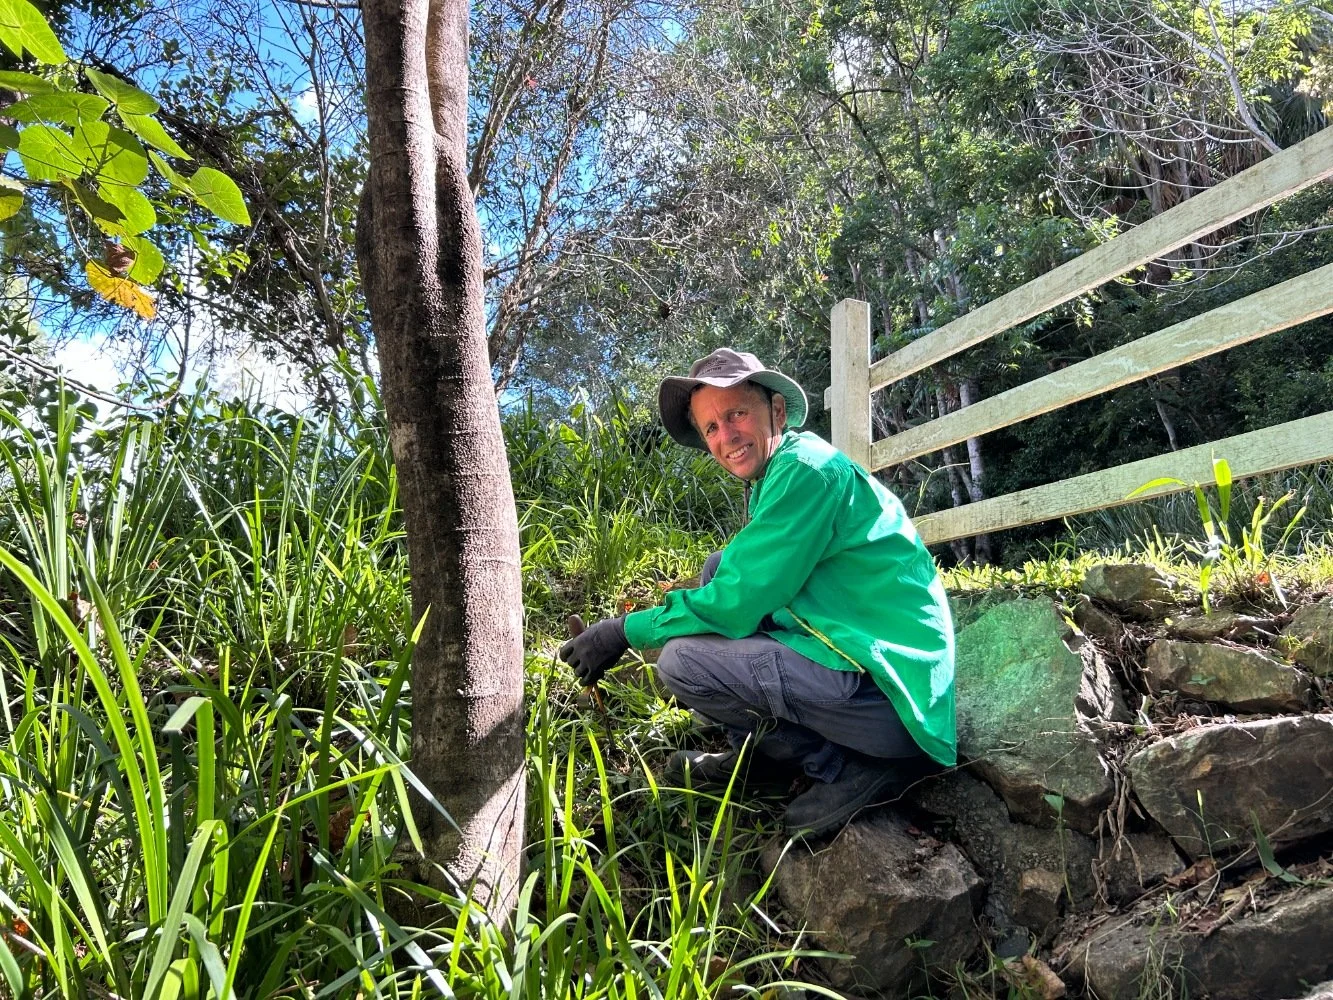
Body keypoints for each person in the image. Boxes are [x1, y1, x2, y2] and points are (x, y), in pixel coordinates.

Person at [559, 348, 955, 837]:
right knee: (718, 566)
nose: (725, 437)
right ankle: (765, 755)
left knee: (682, 661)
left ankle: (849, 766)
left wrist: (622, 631)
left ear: (777, 411)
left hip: (898, 706)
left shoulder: (806, 472)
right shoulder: (789, 467)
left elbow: (736, 604)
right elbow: (740, 583)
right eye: (710, 428)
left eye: (736, 413)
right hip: (872, 664)